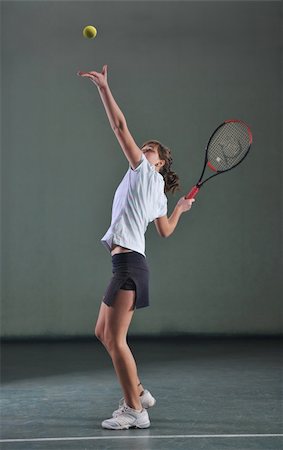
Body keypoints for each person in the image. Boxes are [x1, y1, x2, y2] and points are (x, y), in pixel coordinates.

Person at [77, 65, 195, 430]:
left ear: (157, 163)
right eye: (143, 149)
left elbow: (120, 127)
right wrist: (179, 209)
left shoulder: (145, 174)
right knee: (103, 332)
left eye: (149, 150)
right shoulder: (159, 194)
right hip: (129, 264)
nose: (142, 150)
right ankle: (139, 391)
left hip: (129, 264)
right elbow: (164, 232)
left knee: (116, 338)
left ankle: (135, 411)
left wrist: (104, 89)